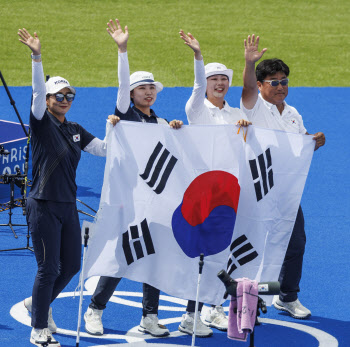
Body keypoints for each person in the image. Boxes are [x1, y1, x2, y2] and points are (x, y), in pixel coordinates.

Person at [18, 28, 119, 347]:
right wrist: (37, 56)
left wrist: (111, 126)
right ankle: (38, 328)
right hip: (42, 204)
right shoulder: (41, 122)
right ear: (47, 100)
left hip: (66, 205)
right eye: (58, 96)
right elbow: (35, 94)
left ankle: (37, 303)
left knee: (72, 265)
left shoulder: (75, 129)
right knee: (48, 268)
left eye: (69, 95)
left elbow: (104, 150)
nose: (65, 100)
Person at [83, 18, 183, 339]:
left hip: (155, 202)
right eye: (142, 88)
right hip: (128, 199)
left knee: (154, 257)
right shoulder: (125, 113)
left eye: (152, 87)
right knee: (122, 255)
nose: (149, 92)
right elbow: (121, 84)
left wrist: (178, 133)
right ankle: (95, 309)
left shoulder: (163, 121)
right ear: (130, 93)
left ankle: (149, 317)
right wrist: (122, 50)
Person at [240, 34, 325, 319]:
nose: (280, 87)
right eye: (273, 82)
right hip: (257, 191)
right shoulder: (253, 107)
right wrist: (249, 63)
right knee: (253, 246)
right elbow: (247, 87)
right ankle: (242, 301)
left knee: (296, 243)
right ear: (262, 85)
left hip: (287, 192)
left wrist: (313, 139)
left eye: (284, 81)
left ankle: (286, 297)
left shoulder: (292, 112)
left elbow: (299, 144)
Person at [178, 30, 251, 334]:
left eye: (224, 79)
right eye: (214, 79)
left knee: (223, 252)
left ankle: (214, 307)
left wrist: (247, 129)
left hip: (229, 194)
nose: (220, 83)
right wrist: (198, 55)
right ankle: (189, 315)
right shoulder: (196, 110)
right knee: (202, 254)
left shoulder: (236, 114)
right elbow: (195, 87)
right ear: (206, 84)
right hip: (204, 193)